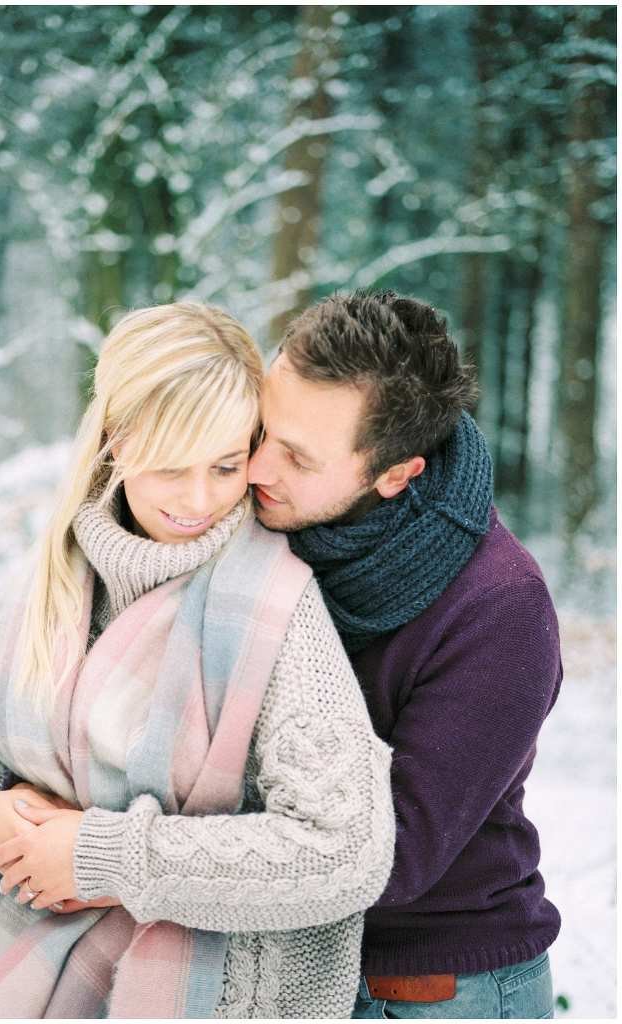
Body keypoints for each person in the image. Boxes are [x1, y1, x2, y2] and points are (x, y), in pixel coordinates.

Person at [0, 301, 395, 1019]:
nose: (199, 499)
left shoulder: (273, 607)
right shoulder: (59, 580)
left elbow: (343, 851)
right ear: (116, 440)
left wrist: (106, 857)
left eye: (226, 465)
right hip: (35, 979)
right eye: (170, 466)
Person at [246, 289, 562, 1020]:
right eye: (262, 428)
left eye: (295, 456)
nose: (255, 467)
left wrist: (118, 853)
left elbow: (390, 854)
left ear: (395, 474)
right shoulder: (267, 521)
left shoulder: (499, 607)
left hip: (432, 990)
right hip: (280, 969)